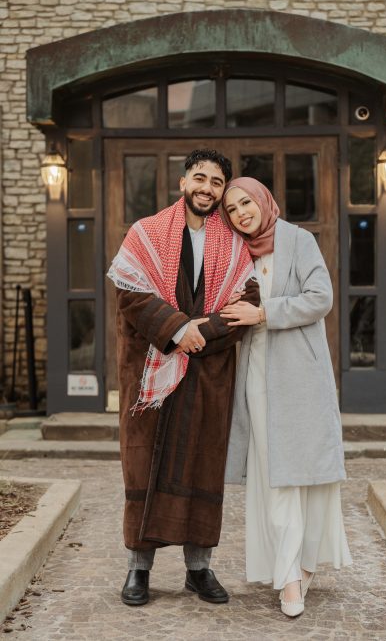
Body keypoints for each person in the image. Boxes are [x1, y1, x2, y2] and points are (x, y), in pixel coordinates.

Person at [107, 152, 259, 607]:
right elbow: (130, 294)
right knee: (144, 466)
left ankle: (199, 569)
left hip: (208, 373)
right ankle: (138, 569)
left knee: (201, 468)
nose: (207, 188)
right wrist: (176, 329)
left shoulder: (234, 245)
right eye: (200, 177)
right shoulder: (146, 232)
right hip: (151, 370)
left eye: (216, 182)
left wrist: (198, 333)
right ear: (183, 182)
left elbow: (247, 304)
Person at [220, 177, 352, 618]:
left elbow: (321, 298)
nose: (241, 213)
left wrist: (264, 313)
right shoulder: (236, 252)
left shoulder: (299, 240)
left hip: (301, 376)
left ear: (263, 200)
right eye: (231, 209)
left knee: (307, 475)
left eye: (245, 203)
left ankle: (306, 561)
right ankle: (289, 576)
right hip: (257, 375)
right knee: (274, 474)